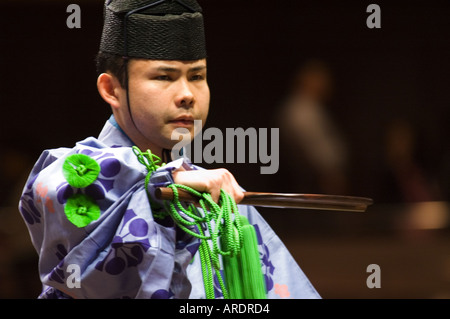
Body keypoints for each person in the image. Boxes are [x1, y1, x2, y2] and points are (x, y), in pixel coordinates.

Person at [18, 0, 320, 299]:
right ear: (111, 89)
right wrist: (163, 186)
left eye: (197, 76)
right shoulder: (78, 172)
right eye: (164, 77)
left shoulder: (216, 196)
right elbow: (57, 189)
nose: (187, 94)